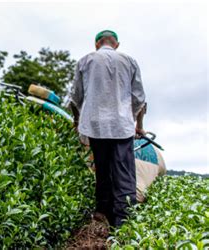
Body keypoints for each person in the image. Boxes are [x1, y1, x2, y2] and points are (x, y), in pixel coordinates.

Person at [69, 30, 146, 228]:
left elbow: (75, 98)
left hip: (95, 126)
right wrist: (138, 125)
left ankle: (102, 218)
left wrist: (77, 122)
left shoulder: (85, 61)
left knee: (102, 172)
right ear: (116, 44)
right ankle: (124, 225)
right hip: (122, 126)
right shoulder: (129, 61)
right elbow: (139, 99)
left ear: (96, 44)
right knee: (124, 174)